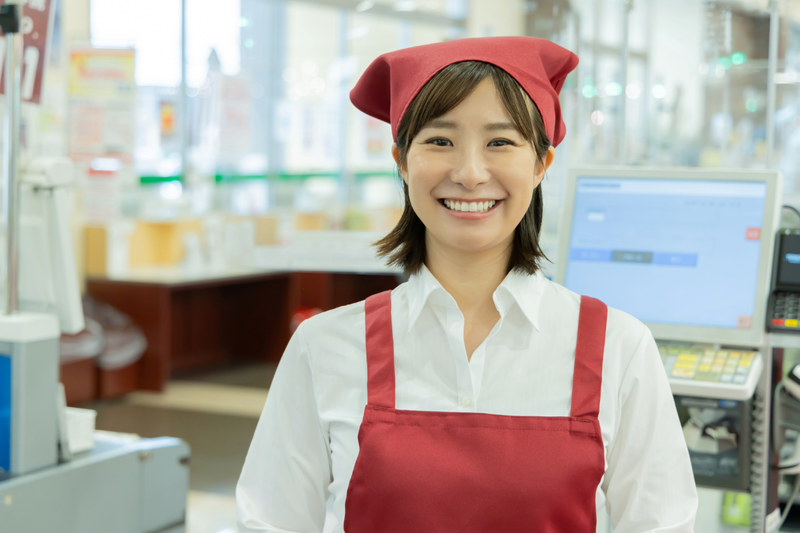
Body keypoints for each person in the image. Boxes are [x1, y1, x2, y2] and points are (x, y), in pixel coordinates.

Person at [237, 36, 698, 532]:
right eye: (440, 141)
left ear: (542, 164)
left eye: (500, 142)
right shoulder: (324, 346)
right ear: (401, 160)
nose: (470, 173)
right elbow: (268, 523)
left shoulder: (618, 348)